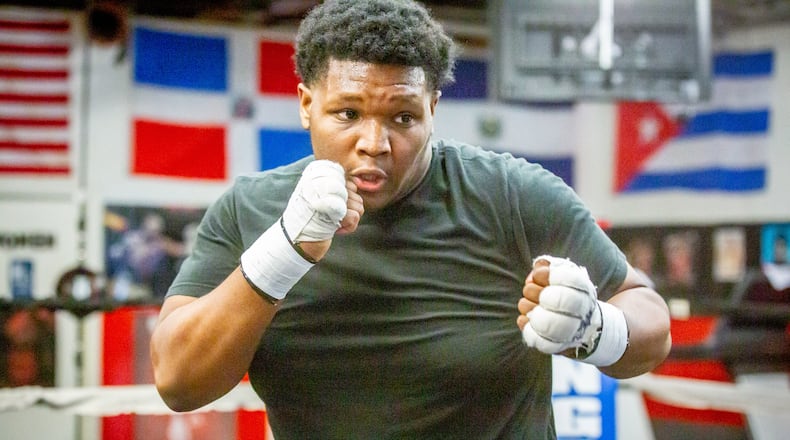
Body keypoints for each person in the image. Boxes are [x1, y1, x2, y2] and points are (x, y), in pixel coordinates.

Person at [150, 1, 671, 438]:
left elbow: (651, 319)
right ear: (307, 104)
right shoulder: (250, 210)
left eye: (403, 117)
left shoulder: (512, 196)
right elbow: (178, 381)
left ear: (433, 109)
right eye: (348, 114)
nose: (374, 144)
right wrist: (282, 253)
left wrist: (599, 329)